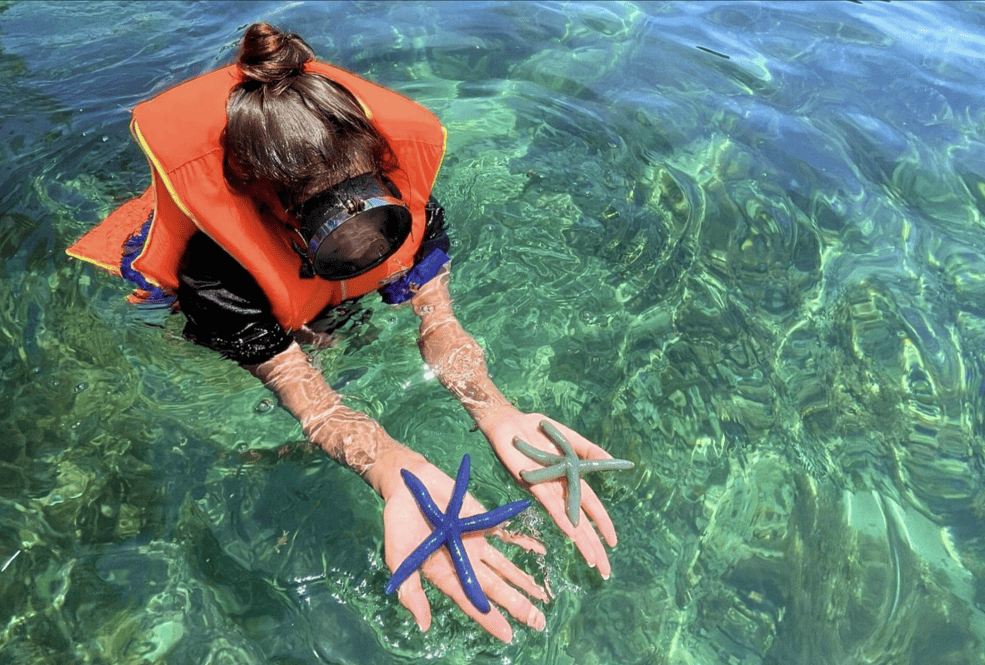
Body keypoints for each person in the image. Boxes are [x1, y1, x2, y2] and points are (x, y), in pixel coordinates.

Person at [68, 22, 625, 642]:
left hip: (307, 279)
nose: (368, 252)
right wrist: (393, 466)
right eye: (338, 243)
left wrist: (495, 410)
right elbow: (304, 392)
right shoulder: (218, 275)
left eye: (380, 228)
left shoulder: (409, 203)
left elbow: (436, 316)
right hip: (226, 312)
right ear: (271, 214)